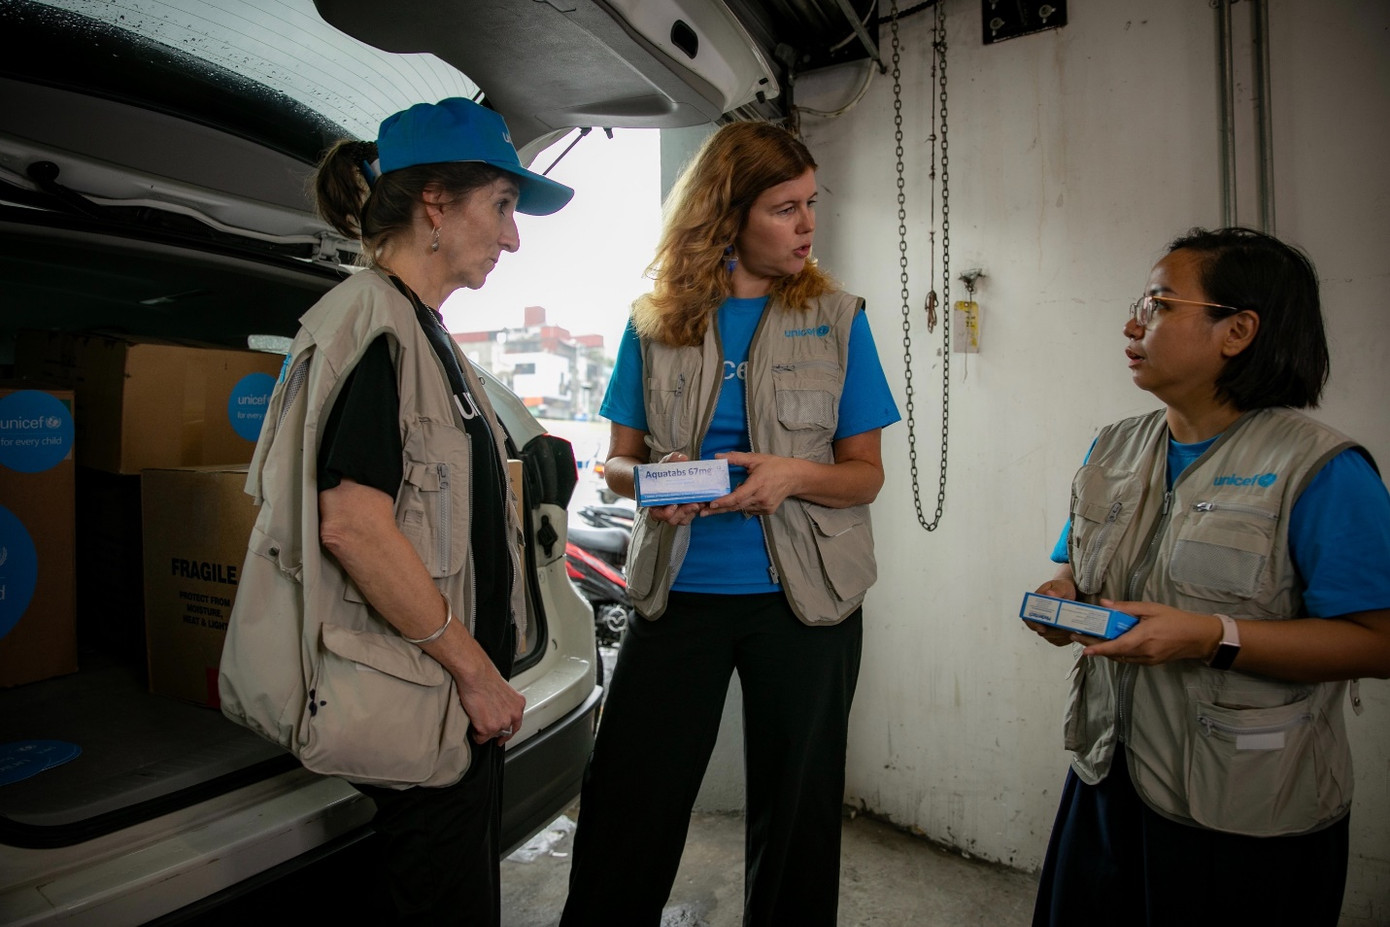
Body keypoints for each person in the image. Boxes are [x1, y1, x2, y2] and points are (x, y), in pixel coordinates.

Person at [234, 98, 572, 925]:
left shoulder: (422, 331)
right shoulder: (374, 323)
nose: (512, 236)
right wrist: (477, 672)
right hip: (428, 703)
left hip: (446, 710)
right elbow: (352, 523)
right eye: (500, 206)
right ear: (434, 204)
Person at [559, 121, 900, 926]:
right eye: (786, 208)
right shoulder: (654, 322)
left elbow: (864, 477)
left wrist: (791, 475)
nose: (808, 225)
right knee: (629, 804)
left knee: (797, 819)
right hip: (678, 594)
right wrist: (650, 484)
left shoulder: (841, 318)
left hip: (807, 605)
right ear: (730, 213)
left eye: (811, 204)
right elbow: (613, 464)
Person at [1026, 227, 1390, 926]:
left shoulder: (1320, 469)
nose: (1133, 323)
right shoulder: (1115, 445)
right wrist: (1060, 598)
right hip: (1108, 780)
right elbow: (1075, 568)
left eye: (1159, 304)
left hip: (1245, 811)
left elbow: (1377, 641)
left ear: (1238, 330)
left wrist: (1211, 636)